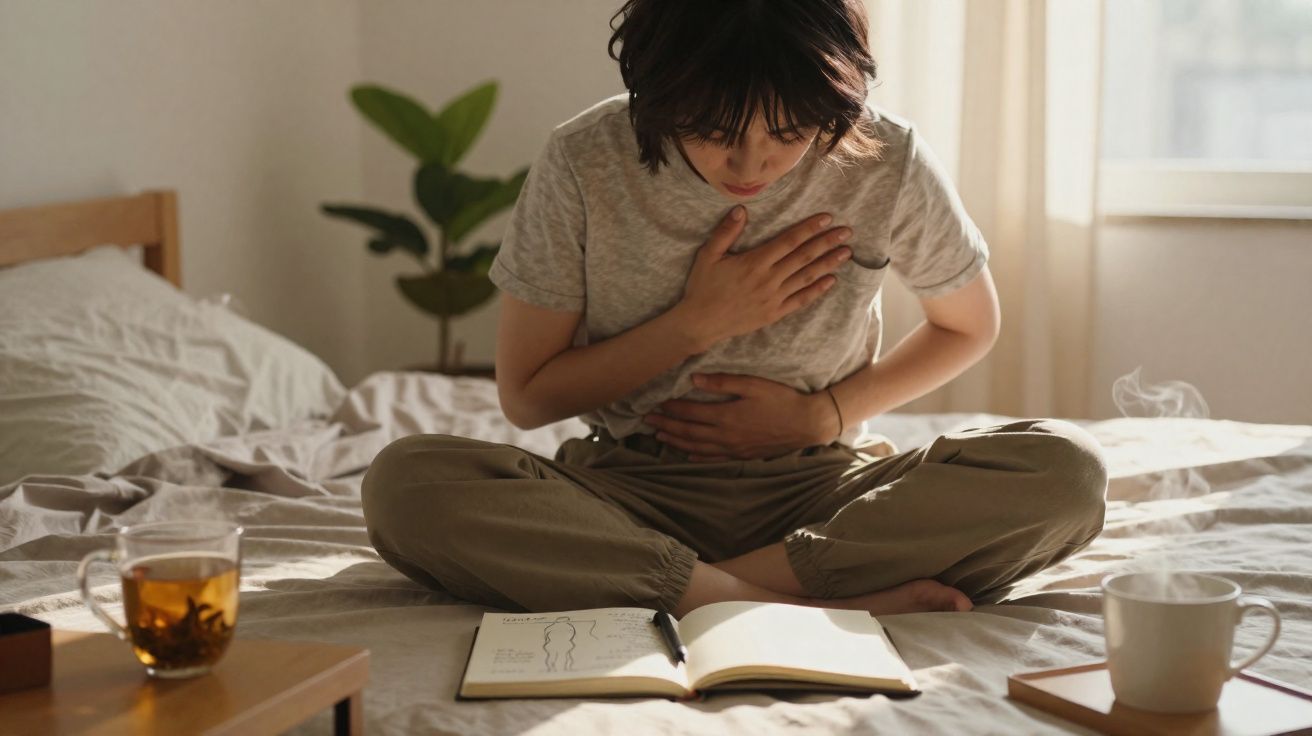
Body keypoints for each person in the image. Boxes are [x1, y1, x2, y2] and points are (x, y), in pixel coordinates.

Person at [362, 0, 1107, 617]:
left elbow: (969, 324)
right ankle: (765, 597)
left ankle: (697, 586)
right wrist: (697, 324)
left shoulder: (885, 155)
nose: (750, 167)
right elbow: (527, 398)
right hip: (627, 492)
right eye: (714, 133)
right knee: (405, 484)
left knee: (1066, 472)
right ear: (659, 100)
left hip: (823, 492)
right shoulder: (586, 159)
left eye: (787, 134)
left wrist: (823, 416)